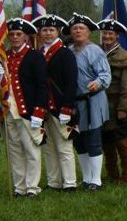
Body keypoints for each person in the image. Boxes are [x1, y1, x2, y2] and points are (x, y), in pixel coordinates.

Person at [33, 14, 79, 192]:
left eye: (51, 30)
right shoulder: (38, 54)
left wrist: (67, 107)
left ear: (58, 31)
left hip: (61, 107)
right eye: (44, 30)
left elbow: (71, 82)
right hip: (44, 108)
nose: (47, 33)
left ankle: (69, 183)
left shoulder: (65, 53)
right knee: (49, 148)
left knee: (64, 147)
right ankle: (54, 182)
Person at [66, 13, 111, 191]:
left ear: (88, 32)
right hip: (75, 103)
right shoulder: (68, 50)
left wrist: (98, 82)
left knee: (93, 140)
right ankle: (86, 178)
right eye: (75, 28)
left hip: (93, 100)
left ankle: (96, 180)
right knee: (79, 141)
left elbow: (105, 75)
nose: (78, 31)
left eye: (81, 28)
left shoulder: (95, 51)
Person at [5, 18, 48, 197]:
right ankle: (19, 186)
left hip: (27, 111)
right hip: (9, 110)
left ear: (25, 37)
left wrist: (39, 110)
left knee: (31, 150)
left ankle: (32, 186)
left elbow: (42, 85)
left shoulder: (35, 56)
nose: (15, 37)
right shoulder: (5, 56)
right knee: (15, 151)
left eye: (18, 34)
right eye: (12, 34)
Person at [98, 19, 127, 184]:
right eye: (105, 33)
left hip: (117, 104)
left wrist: (124, 108)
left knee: (122, 142)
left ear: (117, 36)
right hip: (100, 105)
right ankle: (112, 172)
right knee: (105, 141)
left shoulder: (124, 57)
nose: (107, 36)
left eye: (110, 34)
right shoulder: (97, 52)